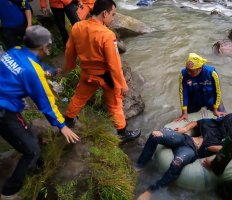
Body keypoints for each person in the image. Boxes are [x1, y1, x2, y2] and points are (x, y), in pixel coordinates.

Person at [0, 25, 80, 200]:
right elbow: (46, 103)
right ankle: (9, 192)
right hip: (4, 111)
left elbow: (33, 65)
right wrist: (62, 126)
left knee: (30, 134)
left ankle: (40, 167)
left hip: (4, 102)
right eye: (48, 46)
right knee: (32, 151)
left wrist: (51, 71)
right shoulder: (33, 73)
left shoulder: (16, 50)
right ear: (43, 47)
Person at [63, 0, 141, 143]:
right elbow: (114, 63)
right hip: (106, 77)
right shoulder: (107, 35)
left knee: (79, 97)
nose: (113, 18)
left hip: (87, 73)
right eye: (113, 14)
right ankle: (122, 132)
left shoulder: (77, 27)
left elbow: (69, 50)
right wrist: (122, 84)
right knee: (115, 104)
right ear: (104, 13)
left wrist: (69, 67)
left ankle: (68, 120)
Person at [136, 113, 232, 200]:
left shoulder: (227, 143)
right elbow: (197, 122)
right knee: (155, 134)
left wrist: (225, 146)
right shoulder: (214, 124)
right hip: (185, 138)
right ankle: (140, 164)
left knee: (177, 163)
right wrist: (185, 129)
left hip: (191, 150)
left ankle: (151, 191)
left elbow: (218, 149)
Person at [176, 53, 226, 122]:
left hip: (210, 99)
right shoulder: (183, 74)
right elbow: (183, 93)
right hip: (194, 101)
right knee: (185, 118)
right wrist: (184, 112)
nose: (188, 72)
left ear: (199, 69)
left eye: (191, 71)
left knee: (223, 118)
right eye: (187, 69)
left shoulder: (211, 73)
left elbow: (218, 91)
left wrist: (215, 109)